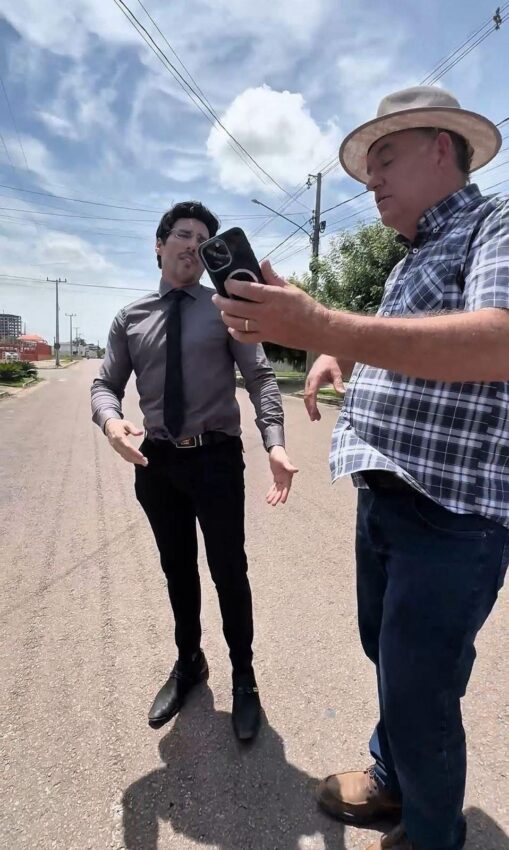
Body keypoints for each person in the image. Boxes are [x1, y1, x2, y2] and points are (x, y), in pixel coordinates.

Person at [212, 87, 509, 848]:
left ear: (440, 148)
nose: (370, 179)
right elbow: (400, 336)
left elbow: (496, 340)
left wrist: (323, 323)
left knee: (420, 690)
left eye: (384, 158)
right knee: (390, 659)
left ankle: (432, 835)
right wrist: (333, 348)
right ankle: (392, 779)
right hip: (387, 495)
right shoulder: (413, 258)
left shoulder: (495, 223)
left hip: (452, 513)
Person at [91, 201, 297, 742]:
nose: (192, 244)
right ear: (159, 246)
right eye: (182, 234)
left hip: (215, 458)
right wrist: (111, 423)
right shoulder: (130, 317)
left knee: (229, 570)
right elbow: (105, 385)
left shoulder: (225, 308)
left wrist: (274, 442)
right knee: (177, 569)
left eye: (202, 238)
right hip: (158, 462)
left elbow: (261, 377)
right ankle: (189, 662)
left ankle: (244, 677)